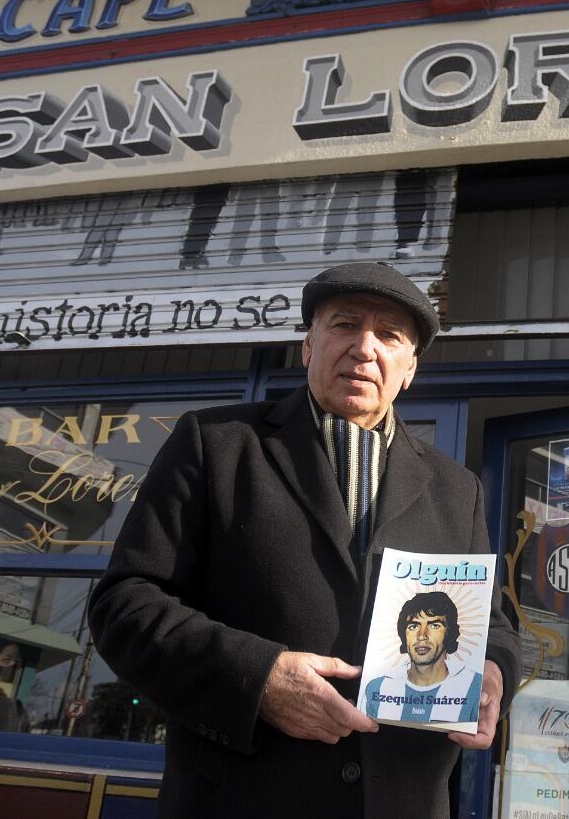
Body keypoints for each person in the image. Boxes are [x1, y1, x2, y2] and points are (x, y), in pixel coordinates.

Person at [88, 261, 521, 818]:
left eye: (389, 335)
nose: (365, 348)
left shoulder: (457, 489)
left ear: (409, 368)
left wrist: (493, 672)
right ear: (308, 346)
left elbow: (493, 626)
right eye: (345, 325)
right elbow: (125, 605)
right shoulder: (217, 444)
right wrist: (258, 679)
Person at [364, 591, 483, 724]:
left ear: (449, 633)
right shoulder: (377, 687)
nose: (422, 635)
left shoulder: (474, 686)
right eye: (413, 626)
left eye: (434, 625)